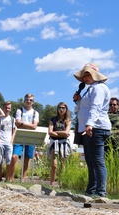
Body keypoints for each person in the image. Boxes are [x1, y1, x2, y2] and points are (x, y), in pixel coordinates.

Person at [72, 63, 111, 197]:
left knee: (97, 160)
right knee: (90, 159)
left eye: (87, 74)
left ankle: (100, 192)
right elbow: (85, 108)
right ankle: (91, 190)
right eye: (84, 75)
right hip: (90, 127)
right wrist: (78, 101)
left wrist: (89, 124)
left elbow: (96, 107)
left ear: (95, 75)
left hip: (96, 127)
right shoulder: (90, 89)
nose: (85, 78)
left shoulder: (99, 88)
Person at [8, 93, 39, 182]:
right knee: (14, 156)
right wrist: (27, 125)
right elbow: (17, 123)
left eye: (31, 100)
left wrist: (22, 124)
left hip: (30, 136)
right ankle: (11, 178)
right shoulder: (20, 110)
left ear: (33, 102)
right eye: (27, 99)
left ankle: (23, 179)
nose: (28, 101)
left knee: (27, 158)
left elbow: (34, 126)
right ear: (24, 100)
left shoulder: (35, 112)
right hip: (19, 135)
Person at [47, 102, 72, 186]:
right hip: (54, 143)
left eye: (63, 108)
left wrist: (56, 132)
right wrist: (62, 133)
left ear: (66, 109)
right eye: (59, 108)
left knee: (63, 164)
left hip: (64, 143)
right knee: (54, 164)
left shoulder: (68, 121)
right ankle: (51, 183)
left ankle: (61, 183)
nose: (61, 109)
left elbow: (66, 132)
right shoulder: (53, 119)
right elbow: (50, 132)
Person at [0, 101, 16, 181]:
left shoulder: (12, 119)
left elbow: (14, 131)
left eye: (9, 108)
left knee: (8, 161)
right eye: (6, 108)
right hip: (0, 141)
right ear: (3, 108)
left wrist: (12, 141)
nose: (7, 109)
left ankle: (7, 178)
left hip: (8, 142)